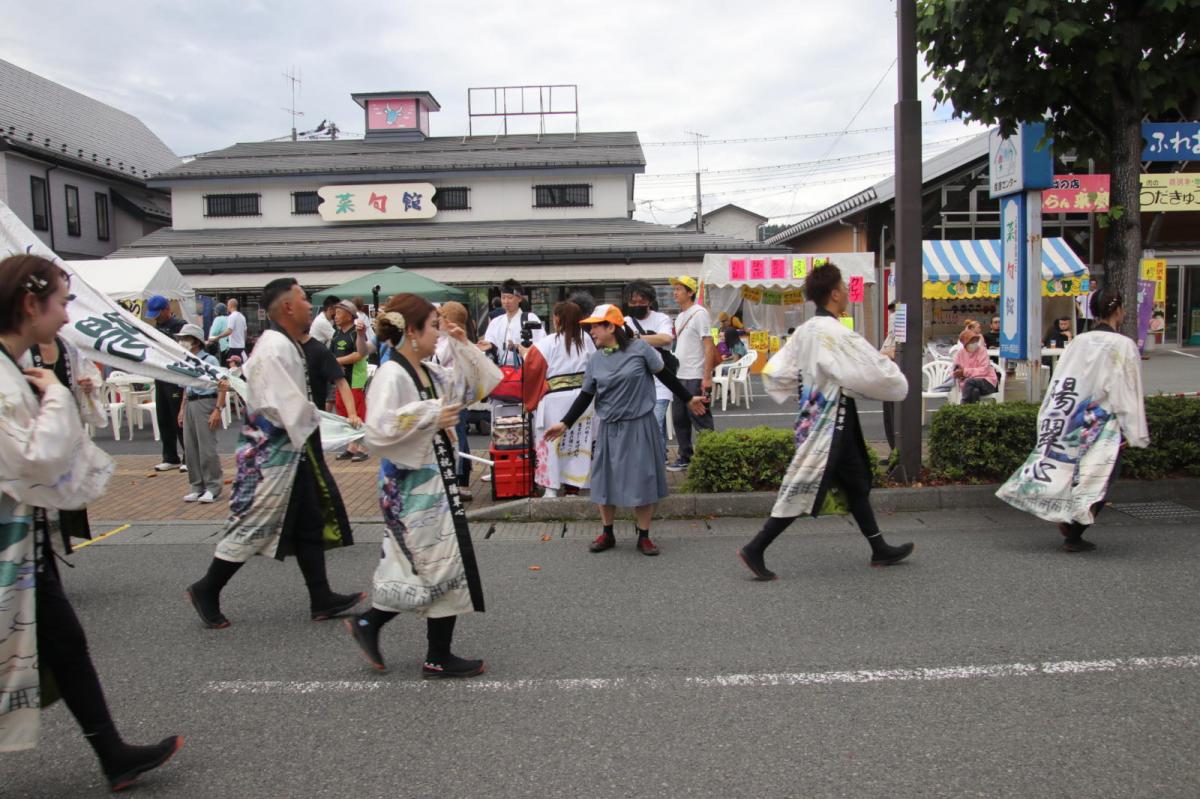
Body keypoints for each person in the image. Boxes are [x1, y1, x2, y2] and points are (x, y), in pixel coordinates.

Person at [0, 254, 183, 788]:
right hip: (12, 535)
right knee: (52, 640)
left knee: (64, 640)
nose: (65, 315)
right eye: (60, 302)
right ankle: (113, 754)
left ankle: (113, 754)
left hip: (24, 539)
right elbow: (33, 460)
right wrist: (57, 397)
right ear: (30, 305)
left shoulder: (16, 365)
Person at [185, 278, 363, 629]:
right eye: (303, 299)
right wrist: (324, 422)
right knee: (252, 524)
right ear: (287, 307)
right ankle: (207, 587)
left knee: (309, 519)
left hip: (293, 448)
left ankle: (321, 596)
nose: (310, 306)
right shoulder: (273, 347)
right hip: (273, 454)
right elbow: (281, 405)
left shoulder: (287, 344)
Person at [346, 293, 502, 677]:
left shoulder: (427, 371)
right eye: (434, 326)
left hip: (431, 478)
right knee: (438, 563)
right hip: (410, 486)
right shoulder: (392, 374)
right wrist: (430, 413)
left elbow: (473, 388)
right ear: (412, 332)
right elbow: (378, 428)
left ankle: (375, 624)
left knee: (423, 564)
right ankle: (434, 653)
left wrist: (463, 344)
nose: (439, 333)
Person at [737, 262, 914, 580]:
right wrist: (887, 372)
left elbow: (777, 372)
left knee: (856, 480)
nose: (846, 292)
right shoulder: (835, 332)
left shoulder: (805, 331)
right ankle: (756, 547)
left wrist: (810, 387)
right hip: (831, 420)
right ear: (834, 294)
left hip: (815, 414)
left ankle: (879, 547)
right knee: (802, 483)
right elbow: (877, 374)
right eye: (843, 287)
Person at [545, 304, 707, 556]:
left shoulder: (640, 349)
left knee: (642, 480)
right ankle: (607, 533)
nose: (591, 333)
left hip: (639, 425)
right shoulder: (596, 359)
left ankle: (644, 536)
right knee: (604, 481)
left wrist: (688, 398)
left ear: (611, 326)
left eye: (595, 327)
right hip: (609, 428)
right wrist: (565, 423)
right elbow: (586, 395)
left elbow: (665, 376)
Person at [996, 288, 1149, 553]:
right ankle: (1074, 529)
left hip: (1072, 417)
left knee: (1073, 470)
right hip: (1104, 422)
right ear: (1118, 310)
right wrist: (1134, 428)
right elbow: (1128, 388)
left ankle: (1069, 521)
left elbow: (1062, 379)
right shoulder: (1123, 345)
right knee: (1100, 476)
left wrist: (1050, 412)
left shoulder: (1079, 340)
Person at [20, 325, 108, 553]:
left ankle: (51, 555)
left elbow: (90, 378)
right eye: (59, 304)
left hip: (65, 438)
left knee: (62, 503)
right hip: (32, 440)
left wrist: (88, 386)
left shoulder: (68, 346)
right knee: (36, 505)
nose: (66, 316)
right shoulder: (20, 348)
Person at [522, 301, 597, 498]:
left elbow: (531, 371)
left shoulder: (546, 343)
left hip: (554, 399)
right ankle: (573, 487)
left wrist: (530, 401)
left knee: (551, 443)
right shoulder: (586, 339)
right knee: (577, 442)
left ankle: (551, 488)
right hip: (582, 398)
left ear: (557, 318)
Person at [666, 275, 717, 472]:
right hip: (680, 375)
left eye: (679, 289)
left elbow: (708, 345)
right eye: (675, 289)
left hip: (695, 375)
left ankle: (710, 458)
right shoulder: (679, 317)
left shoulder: (700, 313)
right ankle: (685, 456)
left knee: (700, 418)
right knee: (679, 418)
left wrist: (707, 377)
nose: (675, 293)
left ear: (690, 292)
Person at [175, 324, 228, 503]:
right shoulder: (187, 361)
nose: (181, 342)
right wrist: (182, 409)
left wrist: (218, 409)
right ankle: (197, 486)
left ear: (196, 341)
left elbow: (223, 386)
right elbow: (185, 387)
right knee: (190, 448)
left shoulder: (209, 361)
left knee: (207, 448)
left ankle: (213, 486)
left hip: (205, 403)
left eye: (186, 339)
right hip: (191, 402)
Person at [434, 302, 479, 500]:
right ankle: (461, 480)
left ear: (448, 320)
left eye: (441, 317)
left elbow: (435, 362)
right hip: (453, 397)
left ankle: (460, 482)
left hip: (453, 397)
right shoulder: (454, 338)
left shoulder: (452, 339)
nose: (437, 321)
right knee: (458, 438)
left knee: (456, 439)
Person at [623, 281, 675, 449]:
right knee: (638, 428)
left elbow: (666, 338)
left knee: (655, 423)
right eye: (633, 302)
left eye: (641, 302)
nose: (636, 305)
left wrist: (634, 339)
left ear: (650, 302)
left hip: (660, 382)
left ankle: (659, 460)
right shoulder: (623, 321)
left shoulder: (661, 319)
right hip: (634, 384)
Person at [146, 294, 187, 472]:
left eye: (158, 313)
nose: (155, 317)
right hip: (160, 375)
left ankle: (188, 456)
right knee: (163, 417)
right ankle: (170, 456)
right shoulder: (156, 327)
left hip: (176, 377)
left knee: (179, 417)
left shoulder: (180, 326)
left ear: (166, 310)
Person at [330, 299, 370, 462]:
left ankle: (363, 448)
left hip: (355, 379)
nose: (335, 316)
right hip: (341, 379)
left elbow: (359, 354)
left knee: (358, 412)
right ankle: (351, 447)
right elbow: (331, 352)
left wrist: (338, 362)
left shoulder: (357, 332)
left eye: (339, 312)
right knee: (342, 410)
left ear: (349, 315)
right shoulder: (337, 332)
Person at [478, 278, 545, 367]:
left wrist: (518, 348)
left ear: (519, 298)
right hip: (502, 372)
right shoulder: (495, 322)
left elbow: (541, 345)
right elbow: (492, 347)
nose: (506, 301)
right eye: (503, 297)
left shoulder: (530, 318)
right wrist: (490, 346)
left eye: (510, 297)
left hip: (524, 371)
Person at [952, 326, 998, 404]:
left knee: (970, 381)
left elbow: (984, 370)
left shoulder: (982, 351)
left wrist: (964, 372)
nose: (975, 343)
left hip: (987, 382)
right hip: (969, 386)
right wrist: (957, 372)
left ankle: (963, 406)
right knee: (974, 391)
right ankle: (973, 413)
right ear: (965, 343)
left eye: (976, 340)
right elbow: (954, 371)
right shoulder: (960, 354)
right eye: (971, 341)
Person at [225, 297, 247, 362]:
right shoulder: (242, 317)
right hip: (241, 347)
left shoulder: (231, 316)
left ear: (231, 305)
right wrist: (243, 342)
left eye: (227, 305)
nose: (227, 307)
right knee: (240, 367)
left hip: (234, 347)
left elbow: (229, 331)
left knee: (232, 367)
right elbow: (245, 332)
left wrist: (217, 337)